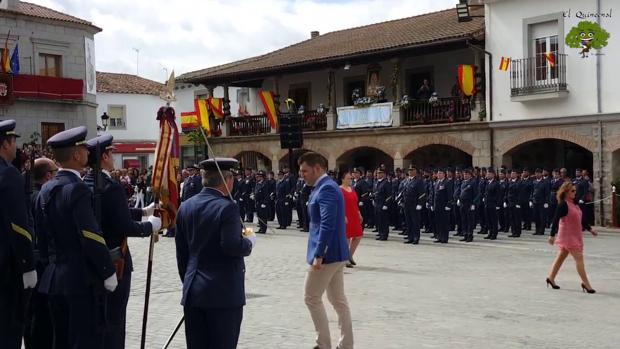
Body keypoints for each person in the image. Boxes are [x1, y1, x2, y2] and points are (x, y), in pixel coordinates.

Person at [34, 126, 118, 348]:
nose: (88, 152)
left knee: (61, 340)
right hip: (80, 280)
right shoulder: (78, 189)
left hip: (53, 279)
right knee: (84, 340)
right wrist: (107, 271)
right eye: (83, 148)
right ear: (75, 155)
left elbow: (41, 238)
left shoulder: (45, 189)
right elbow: (90, 235)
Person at [83, 134, 162, 349]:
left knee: (96, 319)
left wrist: (141, 212)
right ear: (105, 156)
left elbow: (111, 214)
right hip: (115, 260)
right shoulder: (112, 186)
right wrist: (150, 226)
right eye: (111, 152)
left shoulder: (85, 183)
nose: (113, 156)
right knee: (115, 319)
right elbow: (123, 226)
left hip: (90, 261)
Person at [175, 158, 256, 349]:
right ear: (227, 180)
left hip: (194, 289)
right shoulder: (227, 207)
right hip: (222, 294)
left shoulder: (186, 206)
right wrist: (248, 243)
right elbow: (231, 246)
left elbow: (182, 254)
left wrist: (188, 281)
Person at [298, 152, 353, 349]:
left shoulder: (327, 188)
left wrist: (319, 254)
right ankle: (346, 344)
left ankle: (323, 345)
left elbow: (327, 225)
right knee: (338, 300)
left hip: (328, 255)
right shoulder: (324, 187)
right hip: (336, 253)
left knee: (311, 297)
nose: (301, 174)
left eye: (305, 170)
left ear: (317, 168)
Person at [0, 120, 37, 349]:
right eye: (14, 142)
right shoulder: (9, 174)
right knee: (9, 332)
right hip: (6, 269)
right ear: (5, 143)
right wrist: (28, 266)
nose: (16, 147)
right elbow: (19, 226)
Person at [24, 157, 58, 349]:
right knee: (43, 318)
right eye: (55, 172)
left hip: (29, 261)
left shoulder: (26, 195)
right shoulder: (43, 197)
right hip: (41, 263)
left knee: (30, 316)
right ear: (48, 176)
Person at [546, 182, 597, 294]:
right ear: (566, 192)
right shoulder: (563, 204)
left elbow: (581, 219)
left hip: (575, 234)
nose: (575, 192)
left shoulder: (575, 204)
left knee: (560, 258)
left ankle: (551, 278)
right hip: (568, 236)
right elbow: (555, 219)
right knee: (579, 259)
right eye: (572, 191)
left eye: (575, 190)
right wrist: (552, 235)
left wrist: (590, 229)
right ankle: (586, 284)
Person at [340, 171, 363, 268]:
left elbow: (355, 202)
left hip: (354, 215)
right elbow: (339, 204)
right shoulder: (339, 189)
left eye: (351, 178)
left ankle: (350, 255)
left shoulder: (352, 189)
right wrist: (343, 215)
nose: (350, 180)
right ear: (343, 179)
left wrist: (359, 214)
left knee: (358, 236)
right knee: (347, 238)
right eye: (348, 178)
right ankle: (345, 259)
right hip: (346, 216)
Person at [403, 165, 425, 244]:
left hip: (414, 204)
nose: (410, 171)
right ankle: (410, 237)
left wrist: (420, 204)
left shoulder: (419, 181)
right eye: (409, 170)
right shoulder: (407, 180)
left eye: (412, 170)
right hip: (407, 204)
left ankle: (416, 238)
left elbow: (422, 194)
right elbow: (404, 192)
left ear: (415, 171)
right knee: (408, 222)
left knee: (415, 222)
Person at [433, 168, 453, 243]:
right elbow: (435, 195)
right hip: (437, 206)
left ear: (444, 174)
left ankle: (445, 238)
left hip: (444, 206)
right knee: (438, 222)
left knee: (444, 223)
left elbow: (450, 195)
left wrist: (448, 204)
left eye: (440, 173)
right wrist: (433, 204)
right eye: (438, 173)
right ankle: (439, 237)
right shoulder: (437, 182)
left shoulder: (447, 182)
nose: (438, 175)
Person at [373, 166, 391, 241]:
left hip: (383, 204)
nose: (378, 174)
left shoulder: (386, 183)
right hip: (377, 204)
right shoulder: (377, 182)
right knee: (379, 220)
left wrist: (386, 204)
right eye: (377, 173)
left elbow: (389, 195)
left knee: (384, 221)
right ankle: (380, 233)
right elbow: (375, 192)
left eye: (380, 173)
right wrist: (373, 199)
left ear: (383, 174)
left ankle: (384, 235)